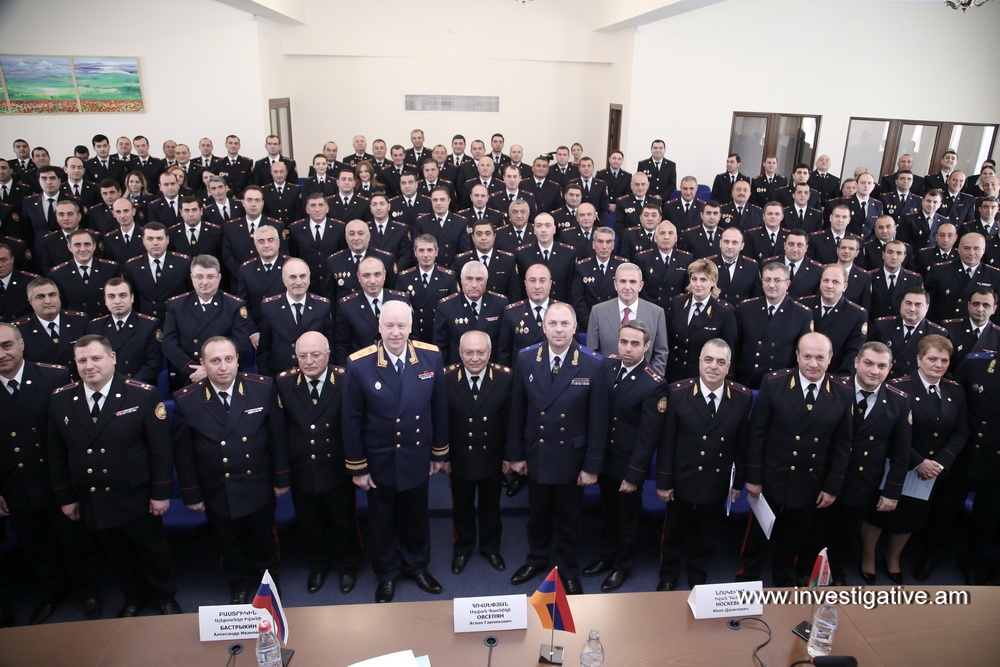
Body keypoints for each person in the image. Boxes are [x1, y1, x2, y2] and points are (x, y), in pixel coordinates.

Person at [48, 334, 180, 617]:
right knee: (118, 554)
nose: (89, 366)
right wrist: (66, 497)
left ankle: (164, 596)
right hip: (94, 496)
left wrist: (160, 493)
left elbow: (161, 450)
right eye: (82, 360)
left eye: (96, 358)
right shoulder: (61, 399)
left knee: (153, 551)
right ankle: (133, 597)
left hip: (136, 495)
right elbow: (57, 454)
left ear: (112, 358)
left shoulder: (142, 394)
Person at [343, 300, 448, 603]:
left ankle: (417, 566)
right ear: (379, 327)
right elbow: (351, 420)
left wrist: (439, 453)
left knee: (416, 516)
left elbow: (439, 408)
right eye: (389, 325)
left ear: (411, 327)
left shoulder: (430, 357)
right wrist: (358, 467)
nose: (395, 332)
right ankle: (387, 573)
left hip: (416, 455)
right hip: (380, 459)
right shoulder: (359, 363)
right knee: (382, 520)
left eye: (401, 325)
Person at [173, 336, 290, 604]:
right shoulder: (187, 399)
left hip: (257, 482)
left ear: (238, 360)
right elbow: (184, 454)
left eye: (229, 359)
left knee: (264, 538)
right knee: (228, 540)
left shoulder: (261, 387)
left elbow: (278, 437)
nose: (223, 367)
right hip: (217, 486)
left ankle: (269, 581)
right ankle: (238, 582)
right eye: (215, 361)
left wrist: (281, 478)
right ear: (203, 364)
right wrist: (192, 493)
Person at [0, 322, 102, 624]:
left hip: (56, 478)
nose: (2, 353)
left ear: (22, 345)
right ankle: (52, 591)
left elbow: (73, 432)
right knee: (36, 544)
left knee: (74, 540)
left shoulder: (53, 377)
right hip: (15, 482)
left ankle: (88, 592)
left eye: (7, 345)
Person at [736, 332, 853, 587]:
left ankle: (783, 578)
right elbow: (757, 434)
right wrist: (754, 477)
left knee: (795, 535)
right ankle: (747, 576)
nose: (813, 363)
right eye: (807, 356)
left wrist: (832, 485)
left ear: (830, 358)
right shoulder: (774, 383)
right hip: (771, 475)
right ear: (797, 356)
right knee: (757, 533)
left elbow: (842, 444)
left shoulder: (843, 391)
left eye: (820, 357)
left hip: (810, 479)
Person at [507, 302, 609, 594]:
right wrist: (515, 454)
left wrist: (591, 466)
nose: (559, 330)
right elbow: (517, 410)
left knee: (568, 517)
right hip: (537, 452)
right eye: (552, 323)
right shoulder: (526, 358)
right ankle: (537, 558)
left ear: (575, 327)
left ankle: (567, 568)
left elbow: (598, 420)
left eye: (565, 324)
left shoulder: (593, 363)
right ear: (544, 326)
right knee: (537, 513)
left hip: (571, 457)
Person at [800, 342, 911, 586]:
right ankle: (806, 570)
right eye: (868, 363)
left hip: (862, 482)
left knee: (847, 533)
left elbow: (901, 453)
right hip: (825, 477)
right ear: (856, 362)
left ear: (890, 368)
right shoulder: (833, 389)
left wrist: (892, 491)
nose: (874, 371)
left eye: (881, 366)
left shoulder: (899, 401)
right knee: (816, 529)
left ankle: (837, 573)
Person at [861, 335, 967, 585]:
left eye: (944, 360)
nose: (938, 365)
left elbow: (962, 431)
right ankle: (868, 557)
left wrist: (940, 463)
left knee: (913, 516)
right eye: (932, 359)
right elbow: (887, 431)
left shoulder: (955, 390)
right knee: (878, 514)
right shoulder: (898, 387)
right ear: (919, 359)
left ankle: (893, 557)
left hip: (932, 472)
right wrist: (918, 461)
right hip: (898, 464)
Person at [657, 339, 752, 590]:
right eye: (708, 360)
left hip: (716, 478)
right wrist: (664, 481)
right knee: (673, 531)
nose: (713, 366)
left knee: (707, 534)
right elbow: (667, 442)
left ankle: (697, 573)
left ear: (728, 367)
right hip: (682, 477)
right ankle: (668, 575)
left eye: (721, 362)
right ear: (699, 362)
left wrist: (738, 482)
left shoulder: (742, 397)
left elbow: (742, 444)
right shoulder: (678, 392)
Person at [583, 320, 667, 592]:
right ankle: (607, 556)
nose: (627, 349)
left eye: (634, 344)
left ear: (646, 346)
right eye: (623, 342)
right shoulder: (607, 366)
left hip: (628, 464)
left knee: (627, 520)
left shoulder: (654, 384)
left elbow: (647, 438)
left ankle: (622, 565)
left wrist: (634, 475)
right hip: (606, 458)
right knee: (608, 512)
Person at [275, 332, 361, 594]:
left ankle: (347, 566)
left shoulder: (345, 380)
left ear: (328, 355)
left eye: (315, 355)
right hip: (303, 468)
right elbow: (279, 432)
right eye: (303, 356)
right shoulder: (284, 383)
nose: (309, 361)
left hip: (336, 467)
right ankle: (319, 565)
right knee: (310, 523)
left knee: (343, 520)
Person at [444, 331, 511, 575]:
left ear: (489, 352)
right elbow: (441, 420)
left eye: (480, 352)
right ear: (460, 353)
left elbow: (511, 421)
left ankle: (490, 547)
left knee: (490, 504)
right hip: (459, 456)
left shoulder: (505, 378)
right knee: (461, 505)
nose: (474, 358)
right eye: (469, 352)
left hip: (492, 455)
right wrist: (443, 456)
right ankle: (462, 548)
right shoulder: (446, 378)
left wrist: (509, 455)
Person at [161, 255, 256, 390]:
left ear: (219, 277)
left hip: (224, 374)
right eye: (199, 277)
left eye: (210, 277)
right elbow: (169, 344)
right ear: (192, 278)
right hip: (190, 375)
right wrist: (192, 369)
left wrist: (209, 370)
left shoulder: (234, 306)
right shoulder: (176, 305)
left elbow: (239, 343)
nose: (205, 282)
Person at [734, 263, 812, 388]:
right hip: (746, 381)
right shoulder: (746, 308)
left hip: (781, 384)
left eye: (777, 280)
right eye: (767, 280)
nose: (771, 285)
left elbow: (803, 353)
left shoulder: (801, 314)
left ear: (787, 284)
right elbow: (736, 346)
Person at [587, 262, 668, 375]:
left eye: (633, 282)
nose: (627, 287)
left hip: (643, 380)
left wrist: (651, 380)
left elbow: (661, 352)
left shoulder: (656, 313)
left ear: (640, 285)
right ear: (615, 284)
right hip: (606, 379)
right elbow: (592, 352)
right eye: (623, 281)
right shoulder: (598, 311)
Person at [256, 258, 334, 376]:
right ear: (284, 280)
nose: (298, 282)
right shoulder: (270, 307)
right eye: (292, 277)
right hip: (281, 375)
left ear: (309, 278)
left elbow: (330, 344)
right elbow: (264, 348)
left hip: (314, 374)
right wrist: (266, 378)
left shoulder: (322, 306)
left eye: (303, 276)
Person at [666, 259, 737, 382]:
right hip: (675, 374)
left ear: (713, 281)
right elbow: (669, 339)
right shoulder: (678, 302)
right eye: (694, 279)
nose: (698, 284)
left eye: (703, 280)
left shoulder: (725, 311)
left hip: (704, 377)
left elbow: (729, 350)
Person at [85, 277, 162, 384]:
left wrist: (127, 386)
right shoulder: (95, 326)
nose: (117, 301)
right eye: (111, 296)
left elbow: (153, 365)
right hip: (104, 386)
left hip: (137, 386)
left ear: (132, 298)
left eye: (122, 295)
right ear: (105, 301)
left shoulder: (149, 325)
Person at [334, 257, 409, 364]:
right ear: (359, 277)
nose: (372, 281)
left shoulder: (401, 300)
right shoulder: (347, 306)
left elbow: (412, 336)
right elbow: (342, 346)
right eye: (366, 275)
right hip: (362, 367)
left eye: (377, 274)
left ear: (384, 275)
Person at [433, 261, 508, 365]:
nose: (474, 285)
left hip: (491, 368)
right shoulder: (446, 306)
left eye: (479, 279)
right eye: (469, 279)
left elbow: (503, 347)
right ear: (461, 280)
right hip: (457, 369)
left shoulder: (499, 304)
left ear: (486, 281)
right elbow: (441, 347)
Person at [799, 265, 868, 374]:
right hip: (802, 372)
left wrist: (840, 379)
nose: (829, 285)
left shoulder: (857, 314)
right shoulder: (803, 305)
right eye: (826, 280)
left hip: (834, 375)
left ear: (844, 286)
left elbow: (853, 353)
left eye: (835, 282)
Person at [925, 232, 1000, 324]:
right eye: (967, 248)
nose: (971, 253)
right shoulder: (939, 271)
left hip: (977, 327)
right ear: (959, 249)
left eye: (976, 248)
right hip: (945, 327)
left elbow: (997, 311)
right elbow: (928, 305)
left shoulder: (994, 275)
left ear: (983, 250)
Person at [395, 234, 458, 343]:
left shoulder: (448, 278)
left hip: (440, 336)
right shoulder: (404, 278)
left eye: (429, 250)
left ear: (436, 251)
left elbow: (454, 310)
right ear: (415, 252)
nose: (425, 255)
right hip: (414, 337)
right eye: (421, 250)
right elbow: (399, 310)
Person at [15, 277, 89, 368]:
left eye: (52, 295)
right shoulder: (20, 330)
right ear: (30, 301)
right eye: (40, 297)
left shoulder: (80, 321)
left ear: (59, 296)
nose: (48, 301)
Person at [48, 229, 119, 320]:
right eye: (77, 245)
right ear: (69, 247)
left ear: (94, 246)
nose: (83, 249)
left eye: (87, 244)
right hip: (75, 323)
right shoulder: (57, 274)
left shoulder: (111, 269)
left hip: (104, 323)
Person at [514, 213, 576, 302]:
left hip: (559, 306)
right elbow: (520, 288)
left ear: (554, 229)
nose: (543, 230)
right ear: (534, 230)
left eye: (548, 225)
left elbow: (571, 287)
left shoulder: (568, 253)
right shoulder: (522, 254)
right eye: (539, 226)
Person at [633, 220, 693, 312]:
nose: (666, 237)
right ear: (655, 238)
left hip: (676, 310)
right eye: (662, 233)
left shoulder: (686, 258)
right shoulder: (642, 258)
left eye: (670, 233)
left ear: (676, 238)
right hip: (651, 310)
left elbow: (687, 288)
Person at [712, 227, 762, 305]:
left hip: (741, 311)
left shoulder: (752, 266)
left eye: (734, 243)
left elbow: (756, 297)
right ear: (720, 243)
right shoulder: (709, 264)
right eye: (726, 242)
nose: (730, 246)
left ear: (742, 246)